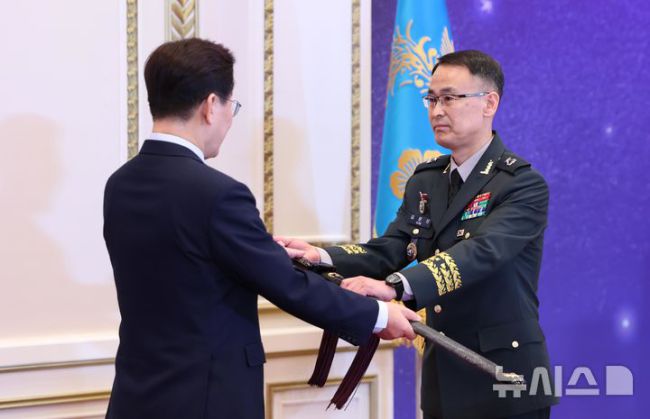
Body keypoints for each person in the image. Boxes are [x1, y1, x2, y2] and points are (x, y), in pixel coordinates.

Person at [102, 38, 419, 419]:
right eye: (231, 106)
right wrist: (379, 316)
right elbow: (286, 285)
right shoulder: (218, 194)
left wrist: (260, 253)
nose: (229, 118)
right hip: (207, 400)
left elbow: (188, 265)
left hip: (137, 395)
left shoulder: (120, 184)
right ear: (210, 105)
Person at [277, 50, 559, 419]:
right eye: (431, 99)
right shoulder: (427, 180)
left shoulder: (521, 184)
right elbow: (393, 247)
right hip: (444, 376)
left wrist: (395, 286)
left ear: (489, 103)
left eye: (449, 98)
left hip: (503, 377)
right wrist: (321, 256)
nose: (437, 110)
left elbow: (481, 252)